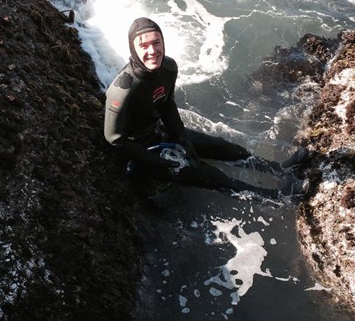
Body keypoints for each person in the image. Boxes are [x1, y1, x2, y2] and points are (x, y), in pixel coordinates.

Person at [103, 17, 309, 200]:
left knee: (224, 147)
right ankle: (279, 196)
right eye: (144, 45)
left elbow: (166, 105)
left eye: (156, 42)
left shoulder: (168, 68)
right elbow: (115, 140)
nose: (152, 51)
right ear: (133, 48)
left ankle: (279, 169)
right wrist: (155, 161)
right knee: (212, 176)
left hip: (159, 133)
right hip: (140, 152)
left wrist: (181, 137)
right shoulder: (122, 90)